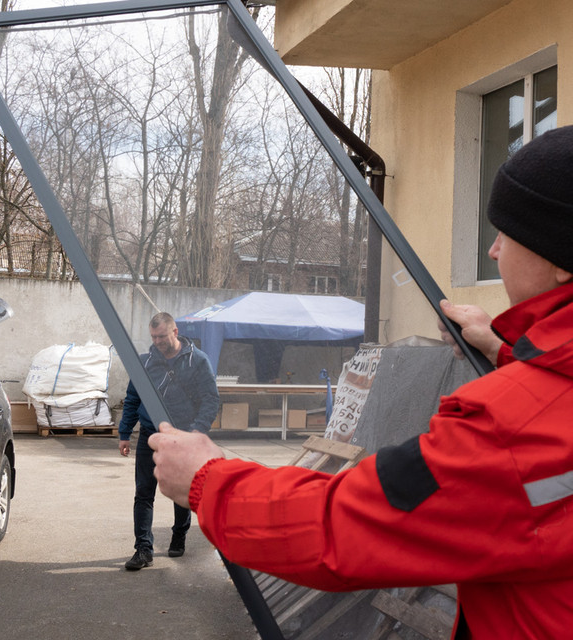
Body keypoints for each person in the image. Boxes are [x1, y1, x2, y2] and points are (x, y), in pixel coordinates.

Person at [149, 125, 573, 638]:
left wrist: (207, 479)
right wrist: (502, 350)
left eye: (506, 232)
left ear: (559, 264)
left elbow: (344, 526)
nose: (494, 252)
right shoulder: (540, 404)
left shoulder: (508, 428)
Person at [118, 311, 219, 570]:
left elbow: (210, 399)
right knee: (143, 492)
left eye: (162, 336)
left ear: (175, 332)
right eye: (153, 337)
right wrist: (124, 433)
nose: (158, 341)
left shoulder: (197, 361)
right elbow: (132, 399)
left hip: (182, 436)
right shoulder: (146, 362)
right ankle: (143, 549)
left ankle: (179, 533)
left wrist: (198, 431)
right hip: (150, 436)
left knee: (180, 491)